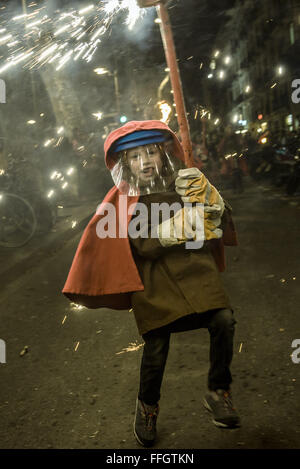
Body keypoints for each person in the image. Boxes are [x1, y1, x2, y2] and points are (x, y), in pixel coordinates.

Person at [62, 120, 241, 448]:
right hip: (154, 284)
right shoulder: (123, 199)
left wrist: (211, 203)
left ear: (163, 154)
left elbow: (216, 222)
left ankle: (219, 392)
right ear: (125, 164)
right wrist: (181, 225)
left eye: (150, 152)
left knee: (223, 320)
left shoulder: (185, 182)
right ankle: (147, 406)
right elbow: (140, 244)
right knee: (157, 347)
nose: (144, 161)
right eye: (134, 156)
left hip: (196, 272)